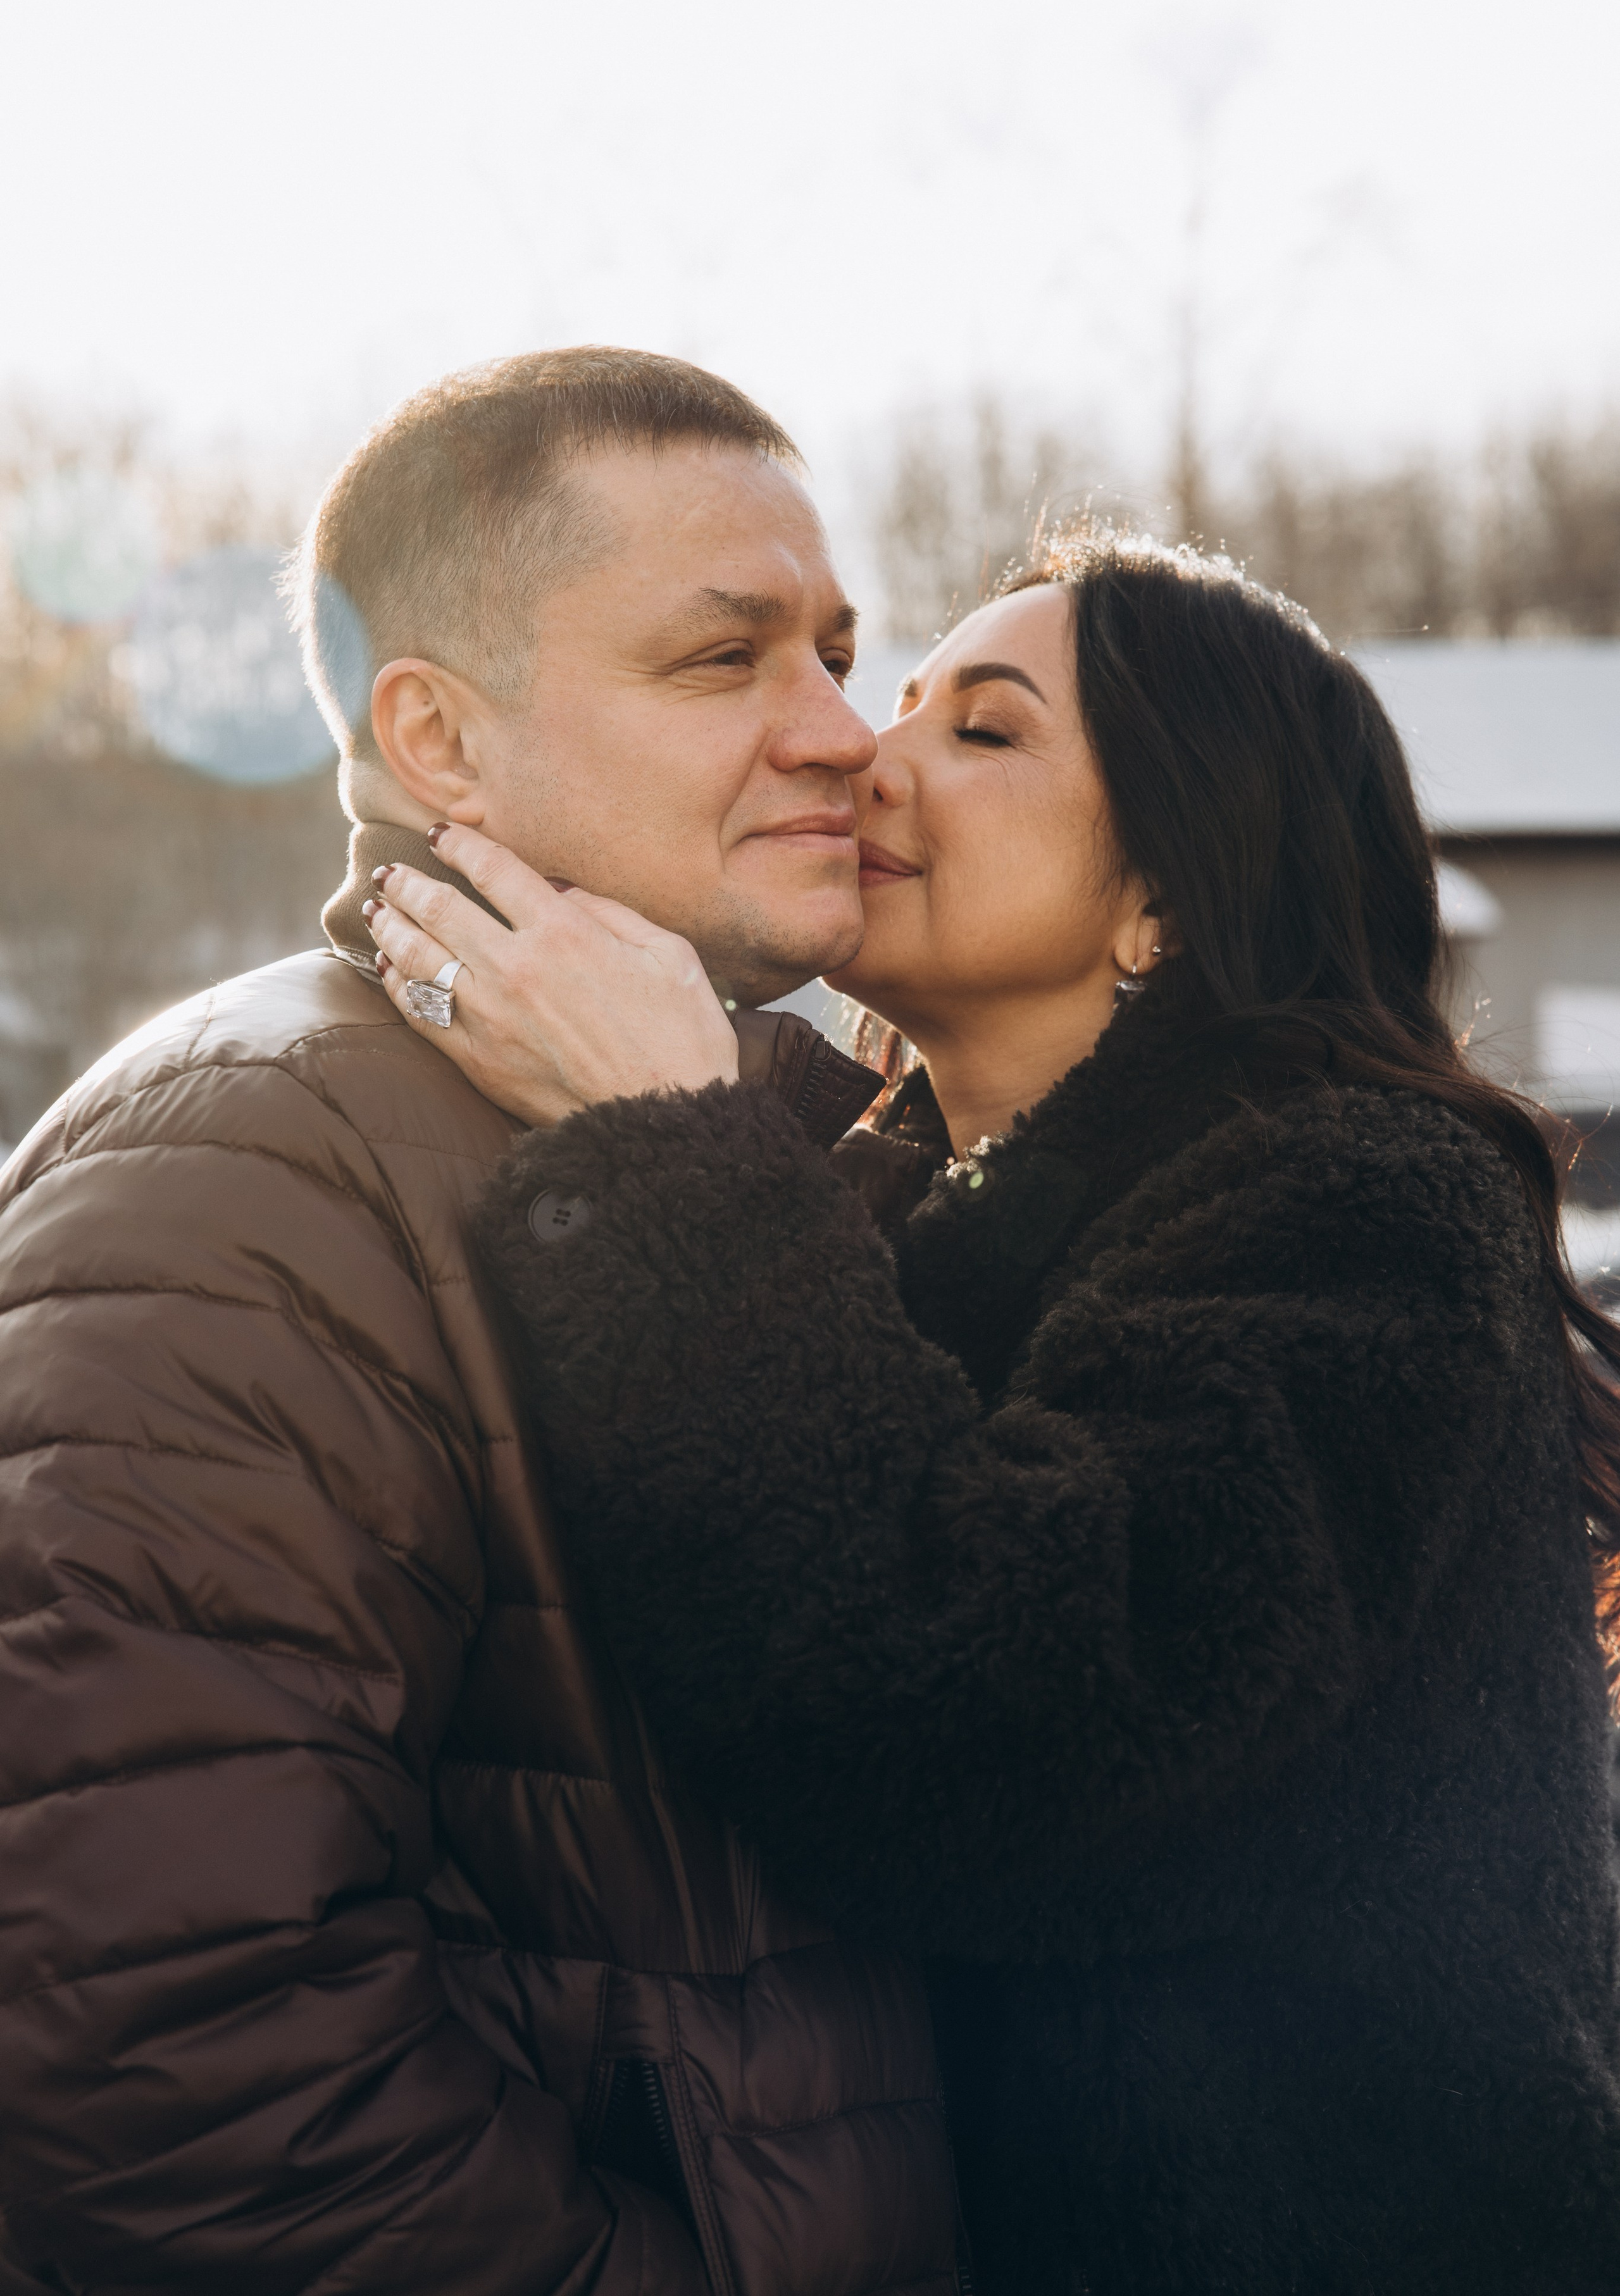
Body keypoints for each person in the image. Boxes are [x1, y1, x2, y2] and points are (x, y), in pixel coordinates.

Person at [365, 530, 1620, 2296]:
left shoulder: (1369, 1212)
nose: (872, 754)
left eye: (988, 730)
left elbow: (994, 1722)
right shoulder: (920, 1205)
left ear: (1161, 901)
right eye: (907, 699)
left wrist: (670, 1141)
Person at [0, 350, 964, 2295]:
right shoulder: (243, 1177)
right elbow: (154, 2022)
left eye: (841, 654)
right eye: (725, 662)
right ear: (436, 741)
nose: (843, 733)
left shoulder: (753, 1133)